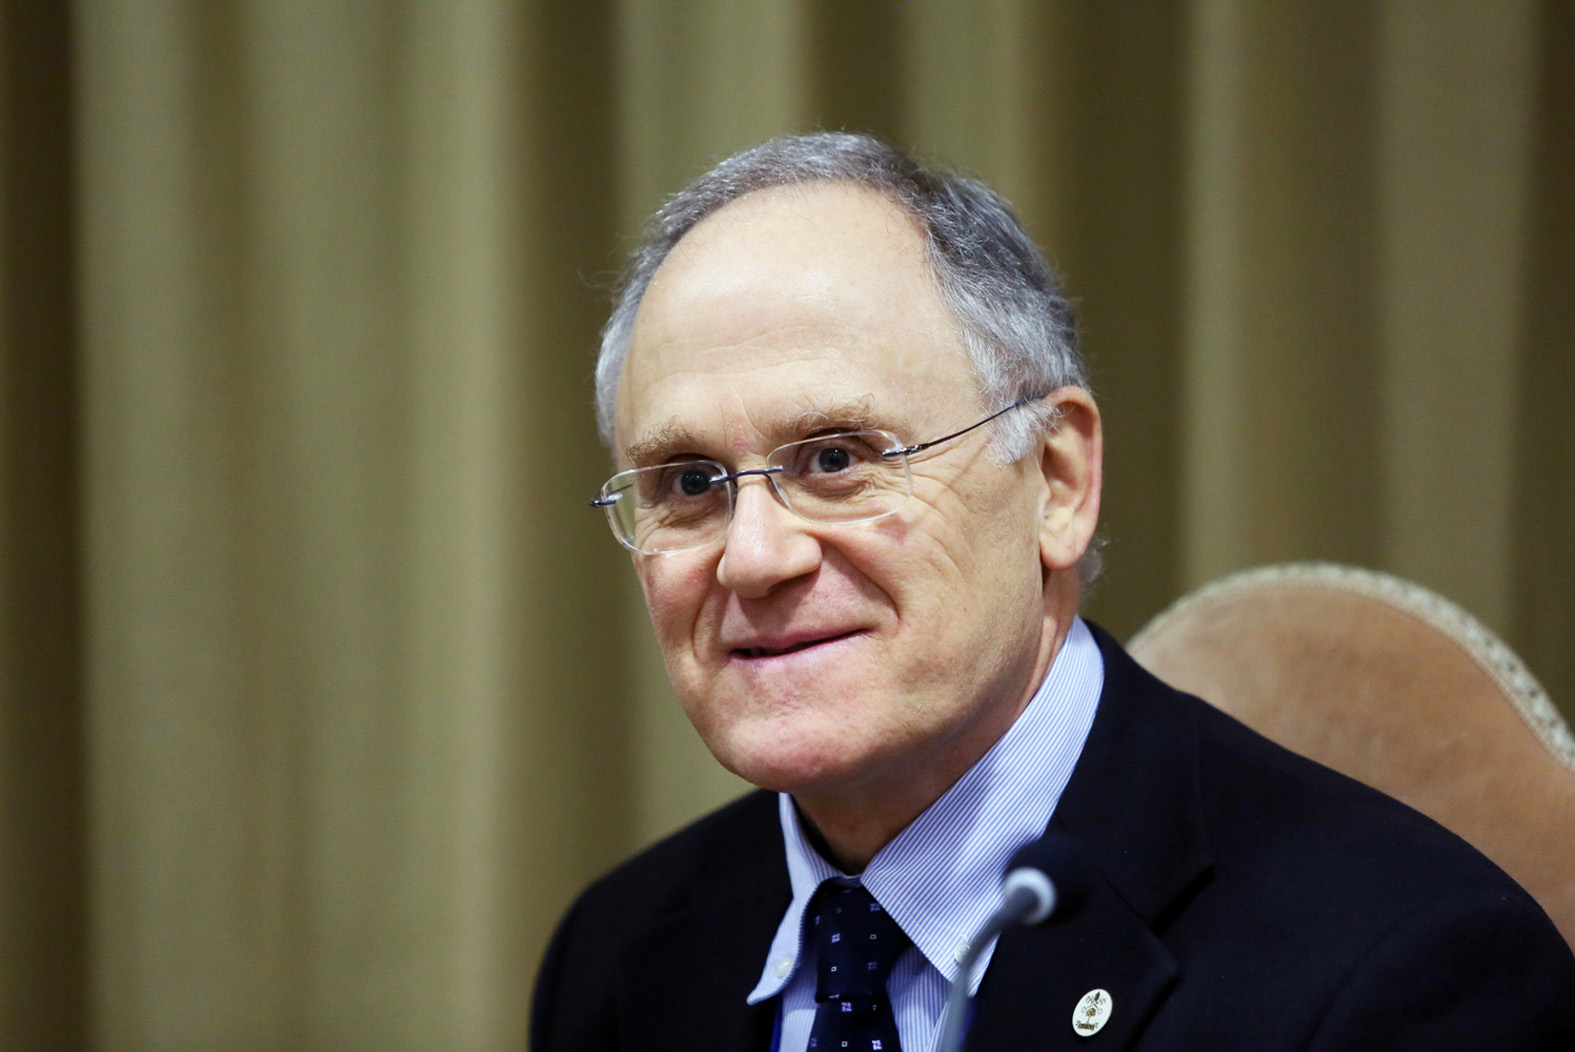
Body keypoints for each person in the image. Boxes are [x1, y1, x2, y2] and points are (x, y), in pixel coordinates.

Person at [530, 133, 1575, 1052]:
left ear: (1056, 481)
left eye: (838, 458)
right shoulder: (617, 954)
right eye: (690, 484)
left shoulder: (1398, 968)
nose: (754, 557)